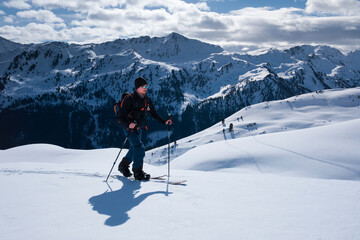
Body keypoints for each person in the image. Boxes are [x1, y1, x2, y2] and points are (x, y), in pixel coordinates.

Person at [117, 77, 172, 180]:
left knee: (134, 148)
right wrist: (128, 124)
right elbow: (121, 116)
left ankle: (123, 166)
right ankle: (138, 172)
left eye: (147, 86)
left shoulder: (146, 99)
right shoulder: (129, 99)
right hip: (129, 129)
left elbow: (153, 113)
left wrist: (164, 121)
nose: (146, 88)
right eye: (144, 86)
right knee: (140, 148)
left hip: (139, 128)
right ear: (138, 87)